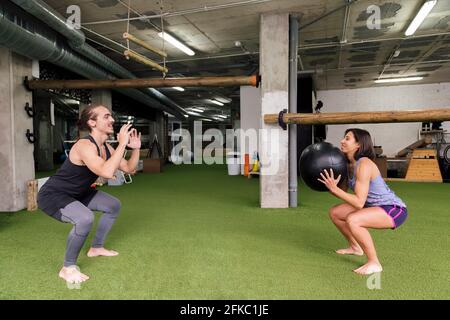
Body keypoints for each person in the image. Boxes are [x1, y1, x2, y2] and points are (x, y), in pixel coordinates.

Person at [37, 105, 141, 284]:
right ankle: (67, 267)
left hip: (79, 192)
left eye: (111, 116)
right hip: (54, 195)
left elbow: (130, 169)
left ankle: (96, 248)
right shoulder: (84, 145)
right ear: (92, 122)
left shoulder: (106, 147)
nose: (112, 120)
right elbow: (106, 172)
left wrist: (136, 148)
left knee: (112, 205)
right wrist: (123, 143)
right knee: (85, 218)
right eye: (106, 116)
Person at [318, 128, 407, 275]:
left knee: (353, 220)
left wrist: (336, 189)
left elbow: (359, 202)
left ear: (358, 145)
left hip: (393, 209)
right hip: (371, 206)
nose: (342, 141)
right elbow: (344, 193)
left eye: (347, 138)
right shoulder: (348, 165)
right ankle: (355, 247)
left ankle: (374, 262)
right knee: (336, 213)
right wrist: (329, 186)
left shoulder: (364, 164)